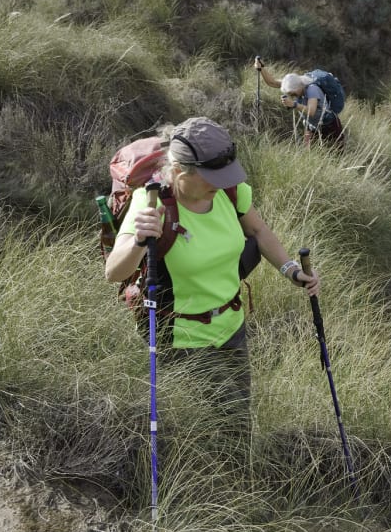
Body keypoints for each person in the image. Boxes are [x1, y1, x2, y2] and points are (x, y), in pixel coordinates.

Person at [104, 117, 321, 427]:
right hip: (180, 342)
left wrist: (291, 270)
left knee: (235, 426)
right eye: (211, 178)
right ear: (179, 171)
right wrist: (140, 240)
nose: (220, 185)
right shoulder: (150, 202)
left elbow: (259, 231)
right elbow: (114, 271)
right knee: (190, 431)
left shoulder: (230, 192)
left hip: (232, 330)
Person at [254, 59, 345, 146]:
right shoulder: (292, 84)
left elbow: (311, 111)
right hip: (311, 127)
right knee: (310, 157)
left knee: (337, 156)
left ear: (299, 86)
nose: (292, 95)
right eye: (289, 93)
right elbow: (272, 82)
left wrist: (294, 104)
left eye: (292, 93)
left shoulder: (312, 89)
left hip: (329, 126)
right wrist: (261, 68)